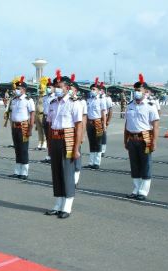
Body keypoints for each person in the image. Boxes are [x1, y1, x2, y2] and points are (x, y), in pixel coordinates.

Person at [44, 70, 83, 218]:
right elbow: (49, 125)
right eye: (56, 86)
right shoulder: (53, 103)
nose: (57, 89)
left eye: (60, 86)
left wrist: (76, 148)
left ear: (67, 88)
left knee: (67, 172)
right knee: (56, 172)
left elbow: (78, 126)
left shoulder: (75, 104)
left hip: (67, 140)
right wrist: (49, 143)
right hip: (54, 140)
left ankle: (67, 206)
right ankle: (58, 204)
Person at [124, 73, 160, 200]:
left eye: (139, 90)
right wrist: (125, 140)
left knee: (145, 164)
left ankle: (143, 191)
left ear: (145, 92)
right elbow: (127, 124)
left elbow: (155, 125)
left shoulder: (150, 106)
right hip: (132, 138)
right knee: (134, 165)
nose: (136, 92)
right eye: (135, 90)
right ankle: (136, 189)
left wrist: (154, 141)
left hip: (145, 138)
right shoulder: (130, 105)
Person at [7, 76, 35, 179]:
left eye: (18, 89)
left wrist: (30, 129)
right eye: (16, 88)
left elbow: (32, 115)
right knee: (17, 149)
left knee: (23, 149)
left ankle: (24, 172)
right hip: (15, 127)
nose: (16, 90)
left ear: (23, 90)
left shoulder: (28, 100)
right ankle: (17, 171)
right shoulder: (14, 100)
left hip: (24, 126)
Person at [84, 78, 108, 170]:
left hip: (98, 122)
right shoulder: (89, 99)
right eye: (91, 89)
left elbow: (103, 113)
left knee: (98, 143)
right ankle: (91, 162)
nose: (92, 91)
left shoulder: (101, 100)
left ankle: (97, 162)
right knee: (92, 142)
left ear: (98, 91)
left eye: (94, 89)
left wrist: (104, 124)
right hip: (89, 122)